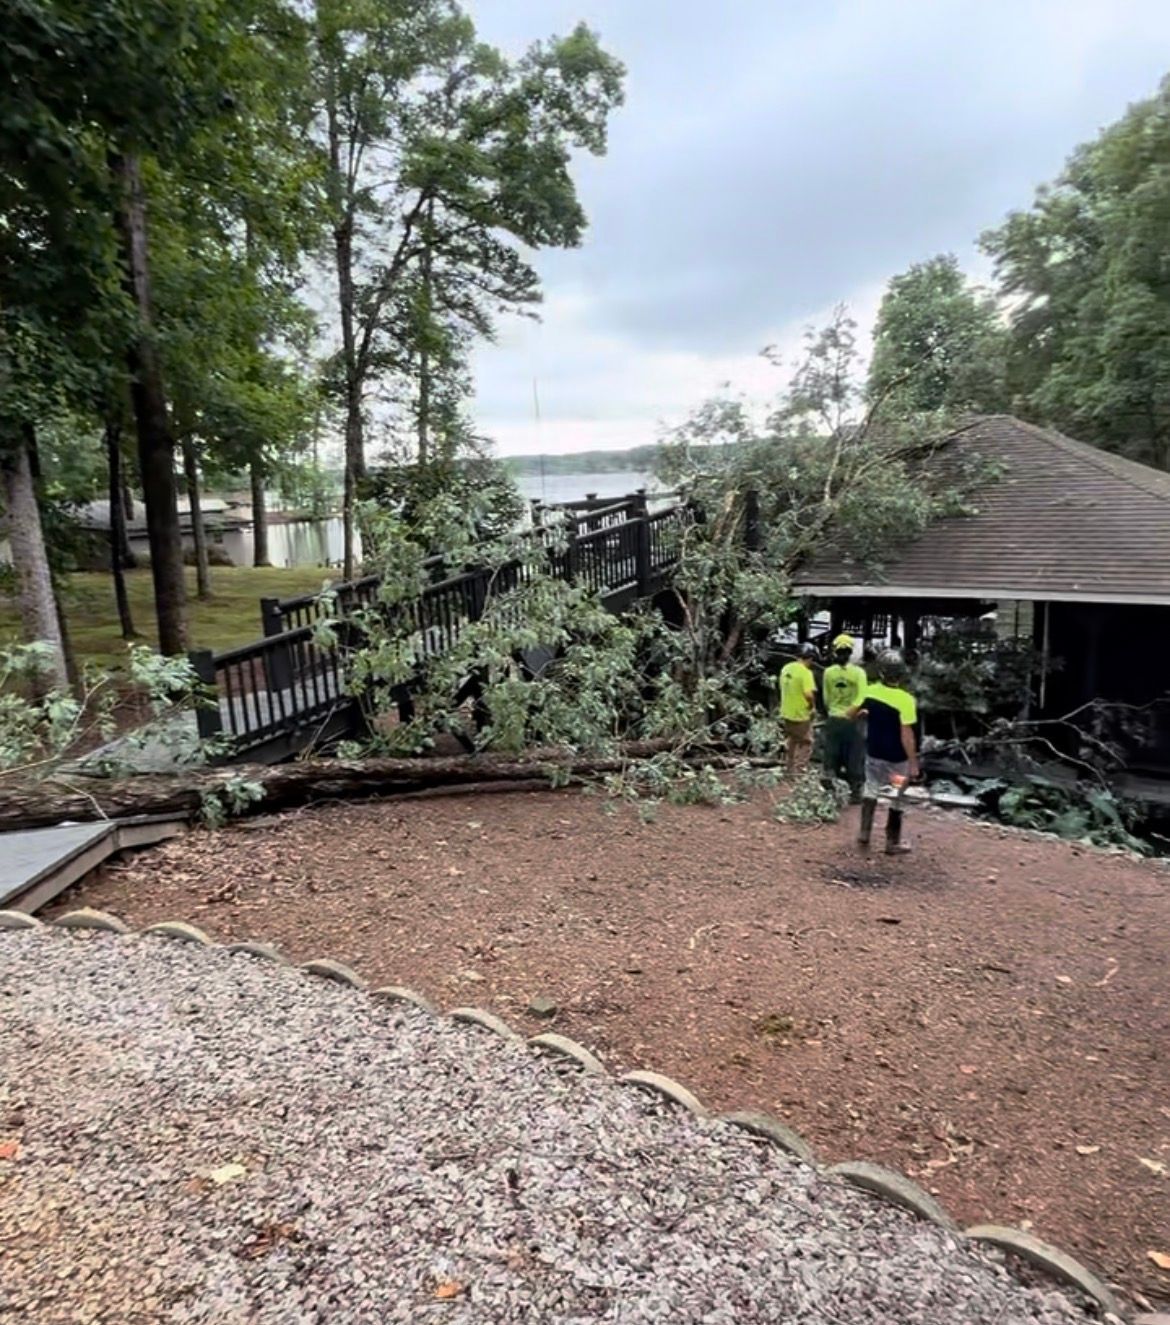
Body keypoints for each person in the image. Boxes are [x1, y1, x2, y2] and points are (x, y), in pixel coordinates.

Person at [849, 649, 919, 854]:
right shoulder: (906, 700)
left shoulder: (869, 692)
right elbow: (907, 735)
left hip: (874, 754)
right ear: (901, 674)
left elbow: (849, 715)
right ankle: (892, 842)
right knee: (896, 795)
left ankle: (864, 834)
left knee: (870, 789)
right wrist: (913, 763)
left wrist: (864, 712)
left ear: (880, 672)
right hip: (897, 759)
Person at [821, 633, 867, 802]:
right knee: (854, 755)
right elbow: (862, 696)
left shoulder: (828, 673)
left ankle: (830, 790)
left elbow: (826, 698)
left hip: (834, 718)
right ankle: (855, 793)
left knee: (832, 754)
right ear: (850, 652)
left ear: (835, 652)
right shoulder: (859, 673)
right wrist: (852, 711)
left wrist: (834, 710)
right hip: (853, 721)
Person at [778, 643, 818, 776]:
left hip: (786, 711)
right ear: (810, 658)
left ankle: (789, 768)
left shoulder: (786, 668)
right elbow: (808, 694)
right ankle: (800, 770)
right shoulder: (806, 673)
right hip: (800, 713)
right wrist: (812, 707)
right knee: (806, 741)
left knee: (792, 740)